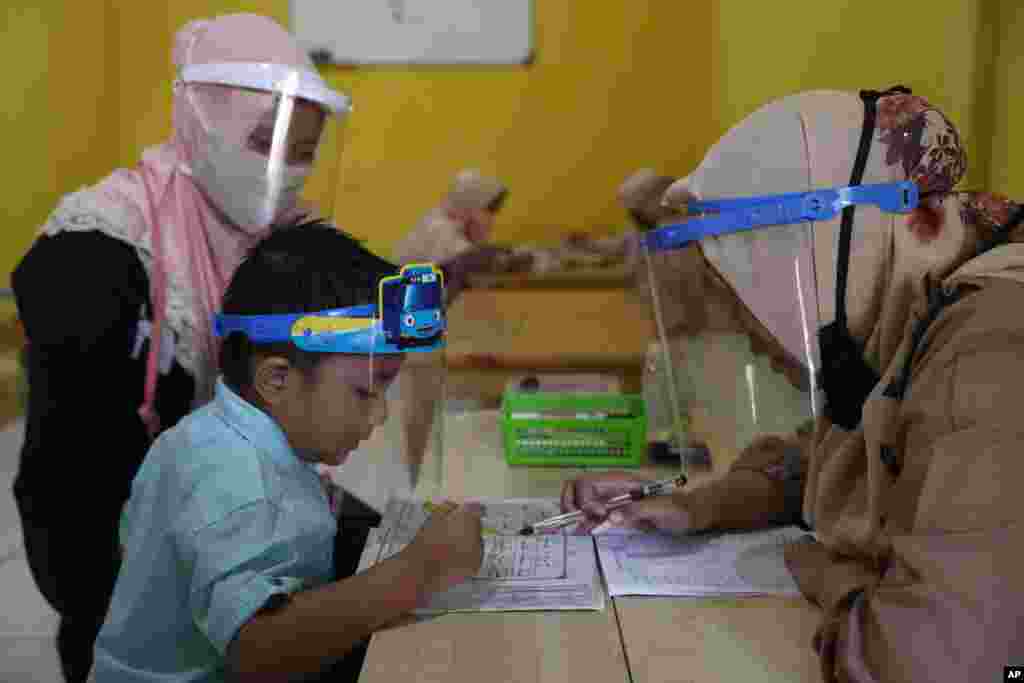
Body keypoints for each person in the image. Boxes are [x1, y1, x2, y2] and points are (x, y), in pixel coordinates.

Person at [561, 89, 1023, 682]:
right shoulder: (910, 313)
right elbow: (855, 456)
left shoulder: (990, 345)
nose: (756, 333)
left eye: (761, 285)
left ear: (835, 244)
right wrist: (703, 504)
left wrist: (825, 574)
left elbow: (921, 665)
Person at [10, 14, 349, 681]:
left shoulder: (270, 237)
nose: (287, 172)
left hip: (231, 562)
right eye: (265, 141)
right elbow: (71, 477)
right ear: (205, 121)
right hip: (119, 576)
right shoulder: (100, 247)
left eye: (304, 152)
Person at [89, 221, 484, 682]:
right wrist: (419, 570)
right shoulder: (238, 479)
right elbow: (259, 650)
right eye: (365, 392)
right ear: (277, 379)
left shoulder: (206, 434)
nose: (379, 416)